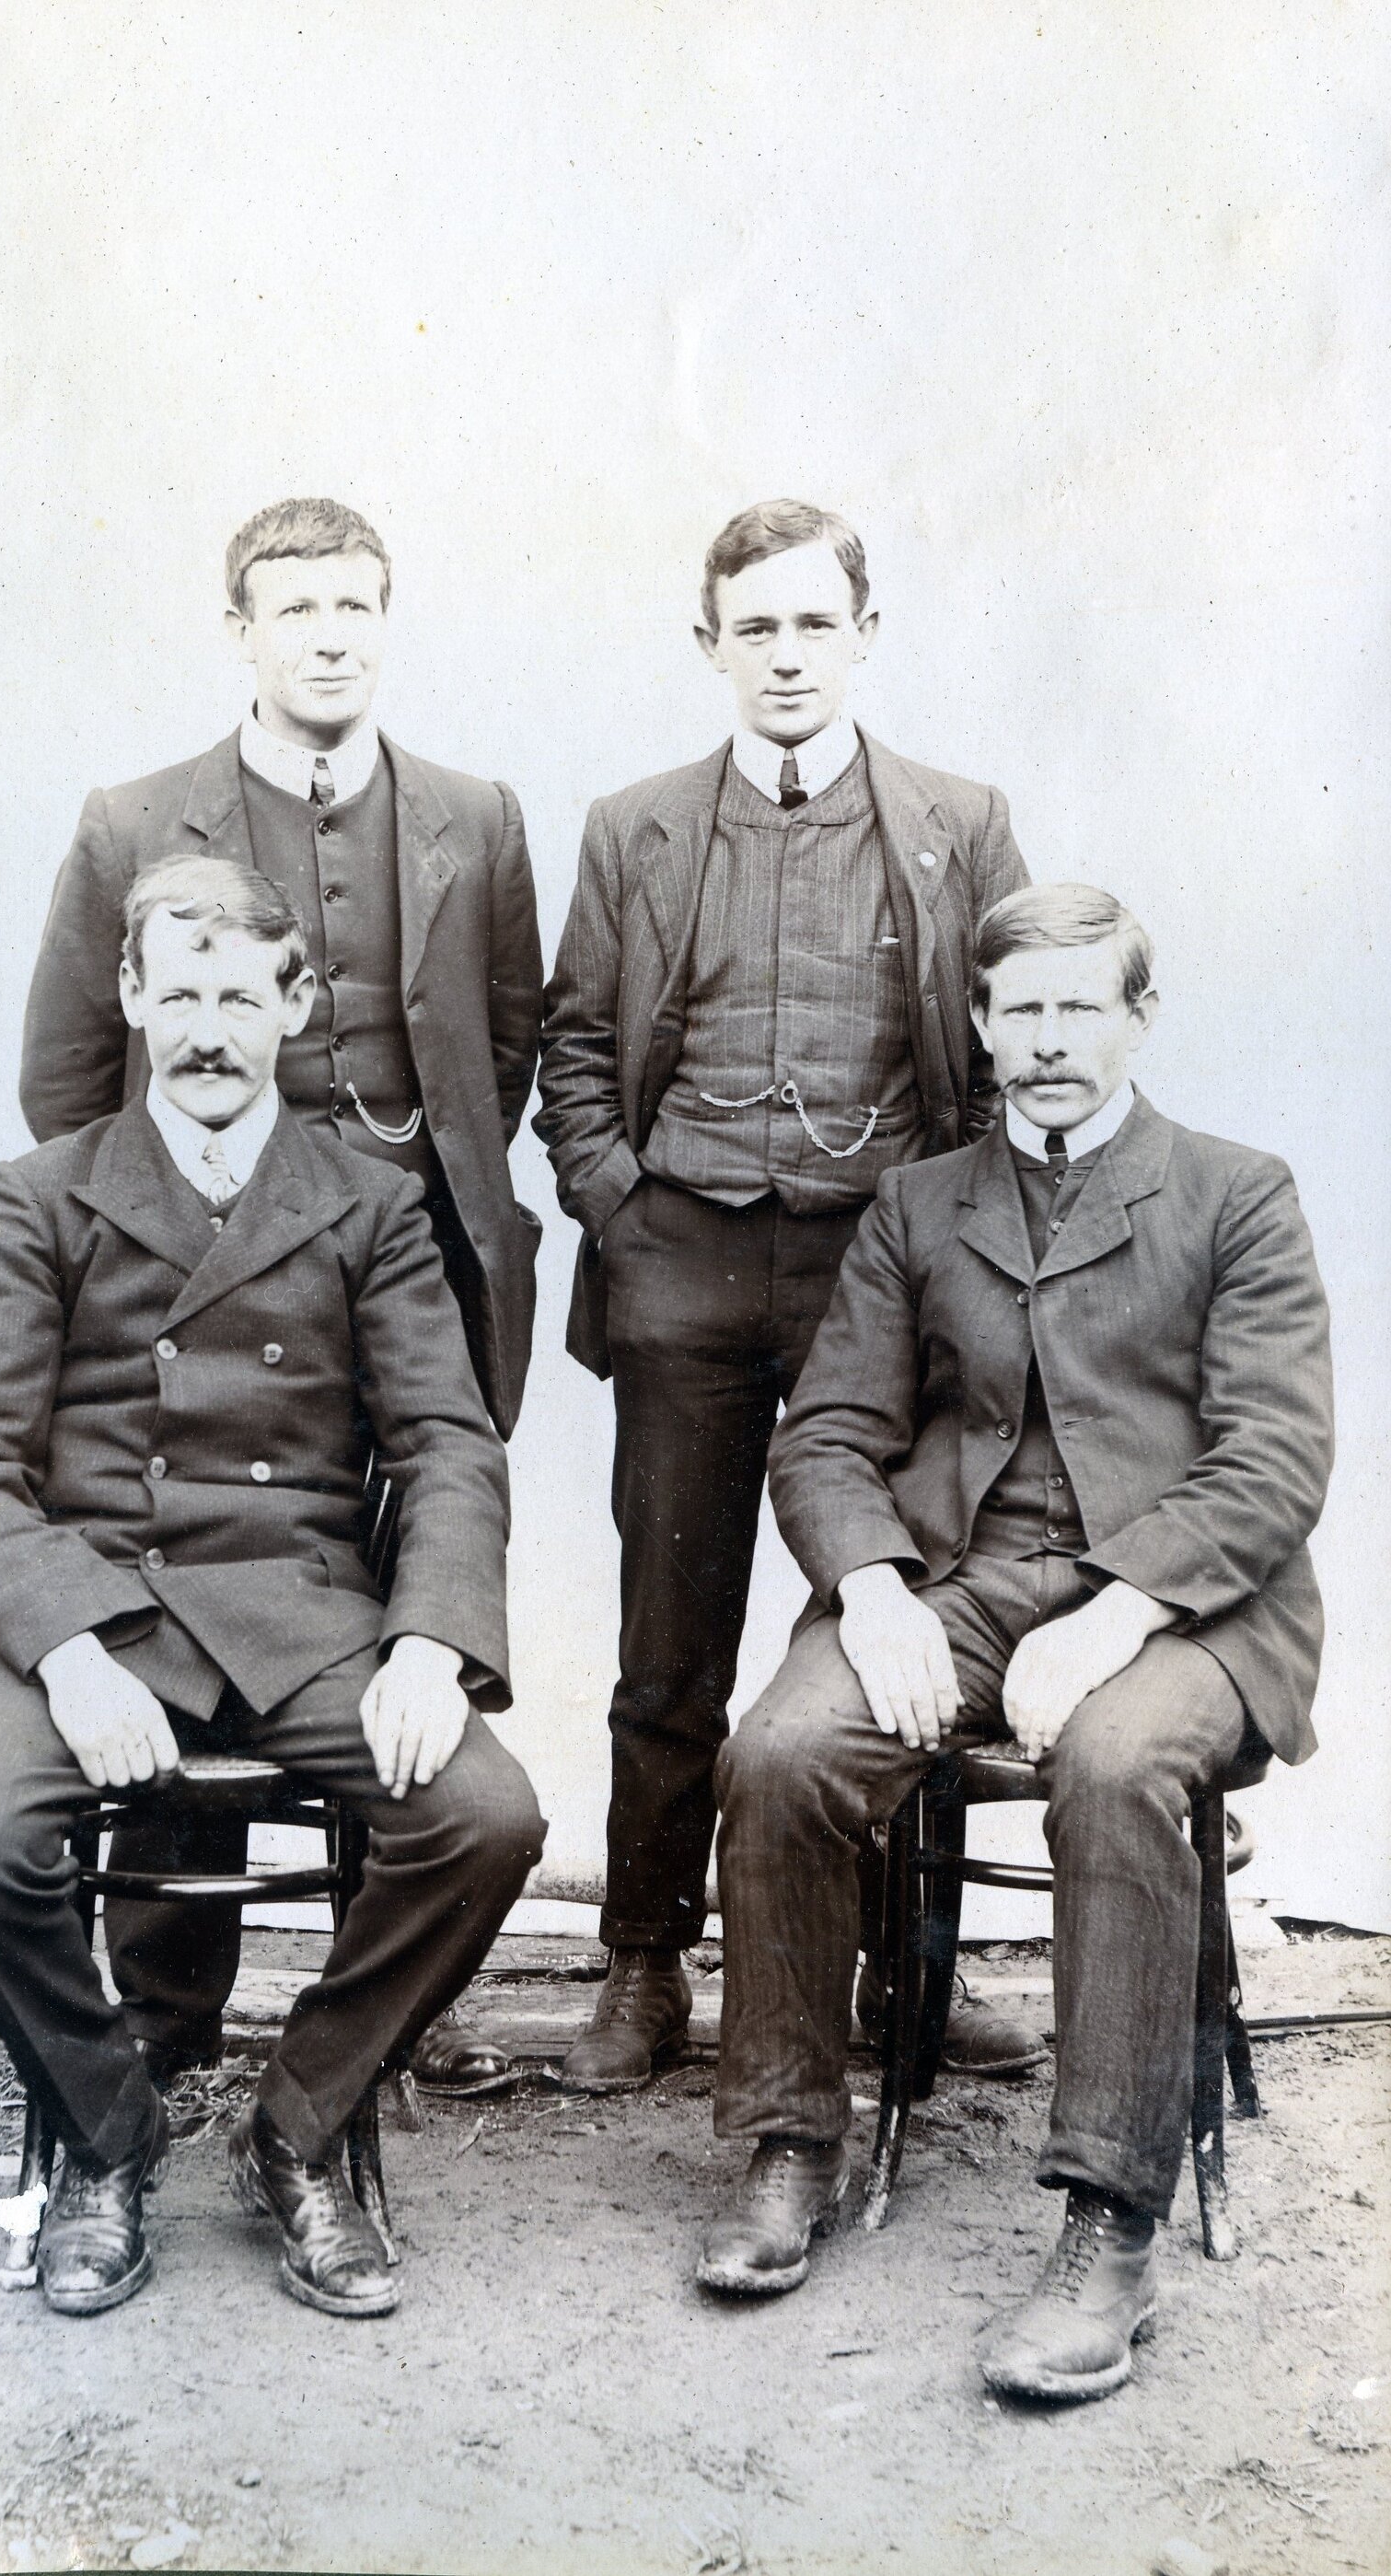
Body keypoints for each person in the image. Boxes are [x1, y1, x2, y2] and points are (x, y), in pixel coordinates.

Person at [699, 885, 1332, 2404]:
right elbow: (830, 1435)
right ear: (980, 1025)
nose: (1048, 1042)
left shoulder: (1237, 1191)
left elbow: (1271, 1460)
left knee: (1114, 1767)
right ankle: (790, 2143)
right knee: (780, 1747)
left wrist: (1120, 1609)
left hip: (1187, 1603)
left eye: (1078, 1008)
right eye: (1020, 1012)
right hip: (966, 1581)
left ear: (1138, 1017)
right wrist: (874, 1588)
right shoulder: (922, 1204)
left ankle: (1111, 2222)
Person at [0, 855, 545, 2321]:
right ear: (128, 997)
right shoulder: (43, 1197)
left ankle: (298, 2126)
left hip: (298, 1607)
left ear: (295, 1008)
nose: (203, 1028)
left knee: (485, 1815)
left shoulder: (369, 1204)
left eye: (238, 997)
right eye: (175, 992)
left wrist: (433, 1642)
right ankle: (107, 2131)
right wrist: (63, 1650)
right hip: (92, 1599)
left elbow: (448, 1440)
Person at [18, 497, 544, 2098]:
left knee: (385, 1619)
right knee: (193, 1570)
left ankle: (364, 2025)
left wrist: (380, 1200)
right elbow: (62, 1083)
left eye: (357, 606)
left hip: (412, 1260)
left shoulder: (473, 812)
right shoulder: (134, 820)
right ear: (239, 628)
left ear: (388, 622)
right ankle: (171, 2020)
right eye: (295, 607)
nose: (330, 634)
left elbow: (502, 1048)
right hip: (197, 1264)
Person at [534, 499, 1036, 2089]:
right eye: (756, 627)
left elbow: (1005, 1057)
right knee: (669, 1641)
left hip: (875, 1285)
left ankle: (902, 1970)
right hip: (681, 1263)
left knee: (875, 1620)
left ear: (865, 636)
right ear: (712, 647)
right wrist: (623, 1210)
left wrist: (945, 1266)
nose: (788, 655)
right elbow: (569, 1046)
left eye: (816, 624)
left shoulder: (960, 821)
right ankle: (642, 1966)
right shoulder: (638, 827)